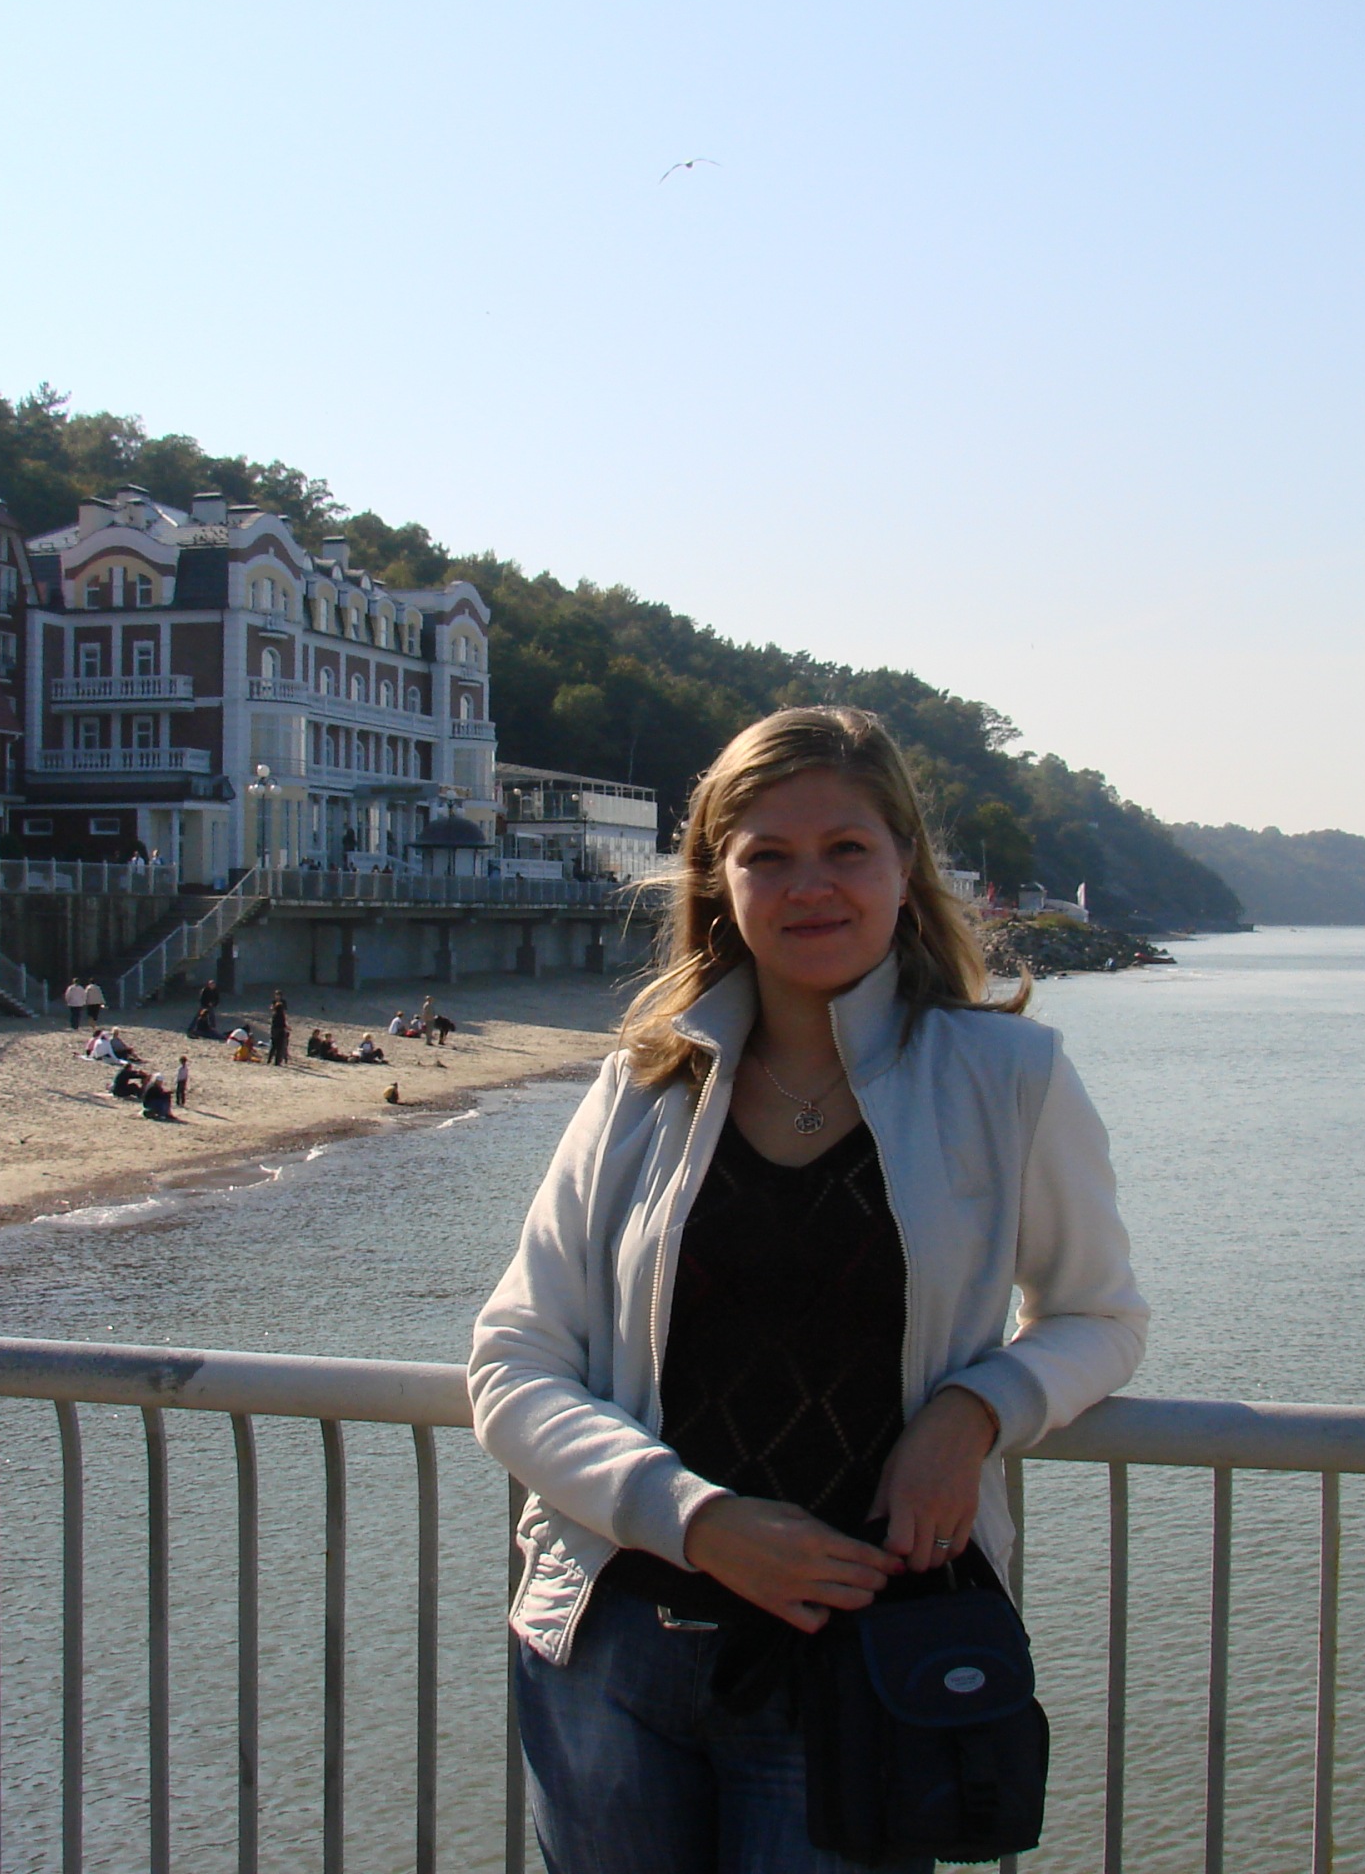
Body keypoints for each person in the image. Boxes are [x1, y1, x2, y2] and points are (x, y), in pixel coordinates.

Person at [468, 706, 1146, 1873]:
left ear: (904, 867)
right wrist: (694, 1519)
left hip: (860, 1655)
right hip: (609, 1651)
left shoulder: (1008, 1078)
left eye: (846, 849)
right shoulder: (642, 1088)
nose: (810, 886)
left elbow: (1100, 1317)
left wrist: (973, 1412)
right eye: (767, 855)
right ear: (717, 879)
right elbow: (512, 1361)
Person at [267, 990, 290, 1067]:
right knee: (280, 1046)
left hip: (274, 1030)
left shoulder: (275, 1015)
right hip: (280, 1031)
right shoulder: (280, 1015)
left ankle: (269, 1059)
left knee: (273, 1046)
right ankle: (277, 1062)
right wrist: (286, 1027)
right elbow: (282, 1023)